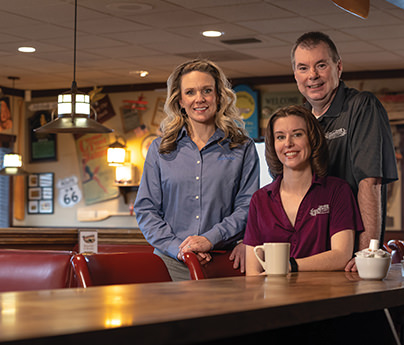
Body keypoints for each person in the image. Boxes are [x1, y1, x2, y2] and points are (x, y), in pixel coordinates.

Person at [134, 59, 259, 281]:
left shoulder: (242, 147)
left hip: (223, 264)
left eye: (206, 91)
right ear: (180, 100)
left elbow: (247, 208)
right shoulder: (160, 149)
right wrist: (178, 249)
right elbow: (146, 210)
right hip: (168, 265)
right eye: (190, 92)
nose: (199, 99)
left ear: (218, 96)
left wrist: (210, 239)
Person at [291, 31, 398, 271]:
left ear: (338, 67)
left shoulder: (361, 106)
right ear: (295, 75)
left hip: (350, 252)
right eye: (303, 68)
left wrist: (366, 254)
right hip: (310, 254)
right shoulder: (298, 120)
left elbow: (370, 182)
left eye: (321, 65)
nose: (313, 76)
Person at [245, 105, 363, 275]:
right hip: (275, 298)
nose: (288, 143)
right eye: (280, 137)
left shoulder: (338, 191)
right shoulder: (260, 199)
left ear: (312, 139)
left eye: (297, 134)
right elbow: (253, 272)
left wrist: (290, 266)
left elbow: (341, 255)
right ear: (273, 145)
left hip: (326, 296)